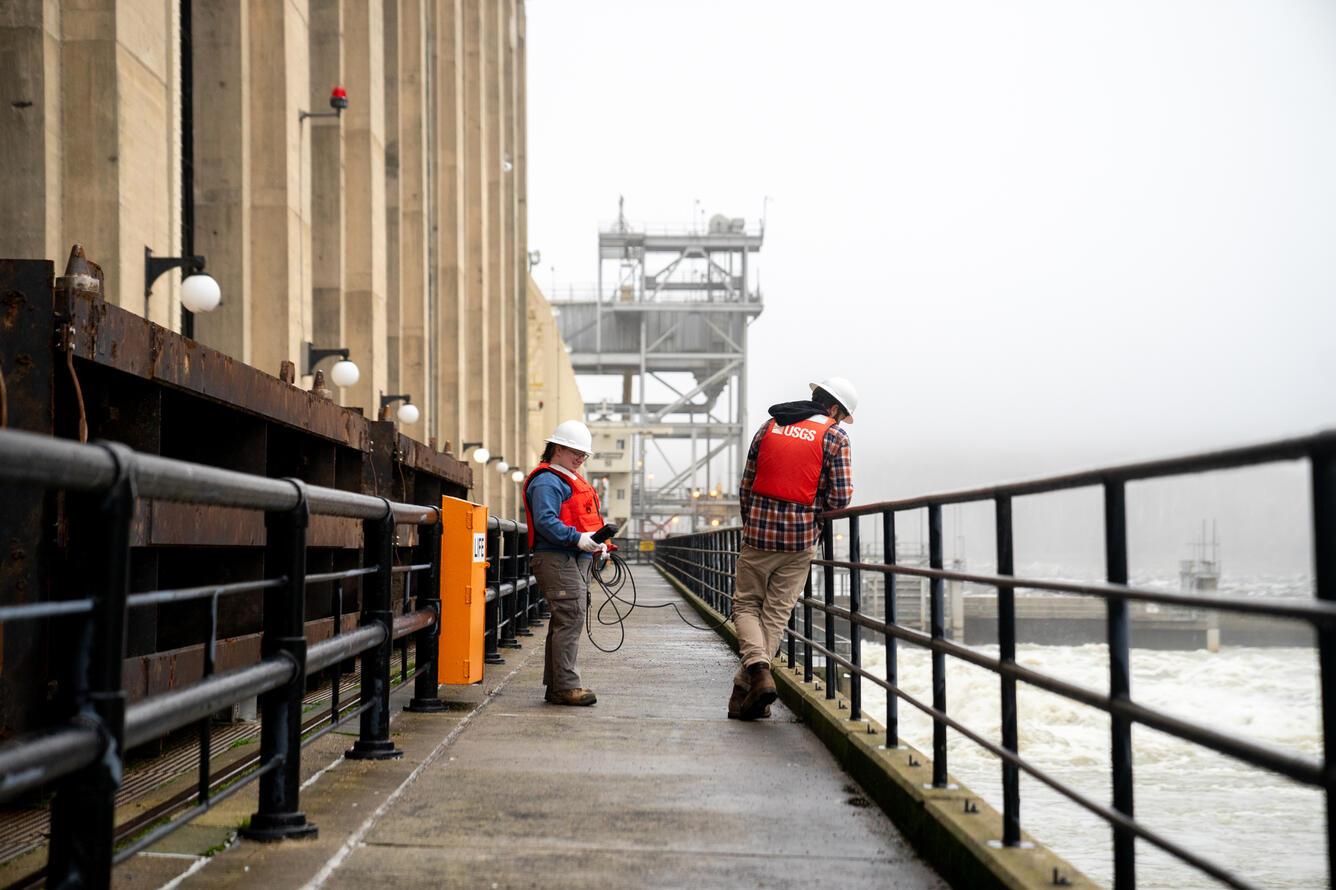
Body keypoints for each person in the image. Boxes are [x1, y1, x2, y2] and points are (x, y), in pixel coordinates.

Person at [729, 377, 856, 720]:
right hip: (799, 541)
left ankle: (753, 679)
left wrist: (751, 522)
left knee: (745, 606)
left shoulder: (769, 427)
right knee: (775, 613)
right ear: (833, 409)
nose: (840, 421)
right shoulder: (834, 436)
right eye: (841, 415)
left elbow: (747, 484)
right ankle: (749, 688)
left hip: (757, 535)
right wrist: (814, 518)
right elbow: (840, 497)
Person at [522, 420, 608, 706]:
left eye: (584, 456)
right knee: (570, 616)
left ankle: (558, 685)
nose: (580, 459)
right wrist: (578, 538)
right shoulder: (548, 480)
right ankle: (566, 685)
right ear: (557, 448)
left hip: (572, 557)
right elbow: (545, 521)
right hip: (557, 558)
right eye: (576, 453)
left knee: (566, 618)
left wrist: (598, 544)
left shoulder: (567, 479)